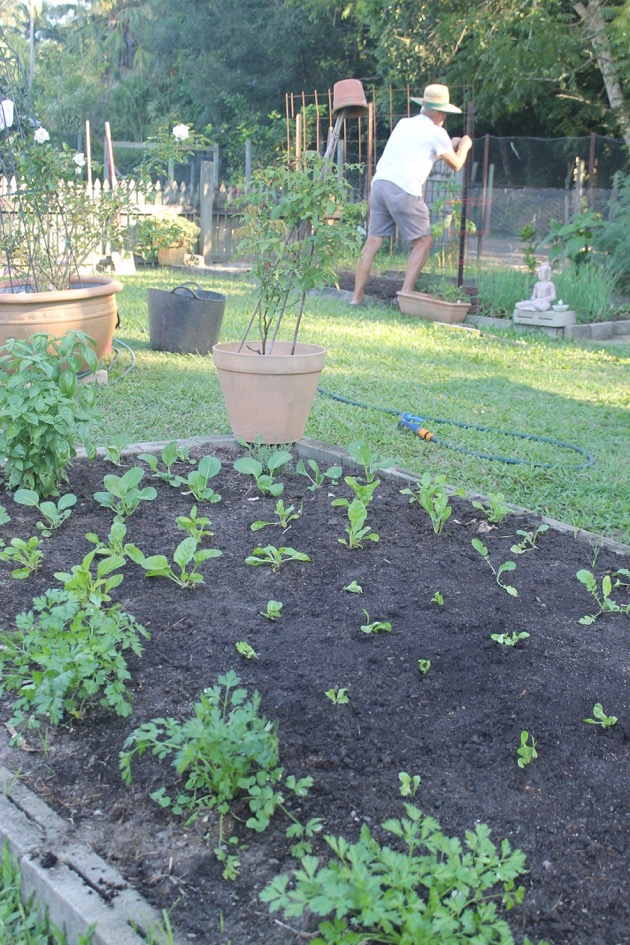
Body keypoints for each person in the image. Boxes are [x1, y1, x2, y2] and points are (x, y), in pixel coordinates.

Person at [351, 84, 472, 306]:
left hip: (379, 184)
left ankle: (356, 298)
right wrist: (463, 146)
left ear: (424, 105)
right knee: (424, 241)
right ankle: (405, 295)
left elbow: (419, 155)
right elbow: (455, 164)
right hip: (404, 189)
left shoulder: (404, 124)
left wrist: (448, 145)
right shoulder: (438, 132)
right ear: (442, 113)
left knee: (372, 242)